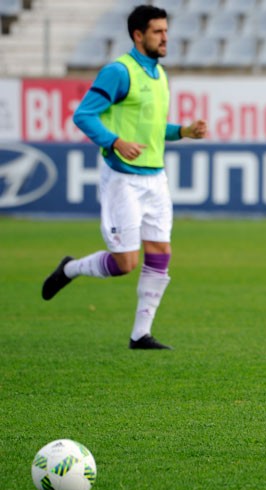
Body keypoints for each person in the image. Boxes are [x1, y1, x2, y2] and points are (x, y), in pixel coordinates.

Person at [41, 5, 207, 350]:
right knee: (125, 263)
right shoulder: (119, 72)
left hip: (155, 179)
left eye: (166, 30)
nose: (165, 37)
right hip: (122, 179)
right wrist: (115, 141)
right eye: (157, 32)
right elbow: (83, 115)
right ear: (138, 35)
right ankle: (70, 269)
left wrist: (183, 131)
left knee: (161, 251)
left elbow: (152, 128)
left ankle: (140, 334)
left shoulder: (159, 75)